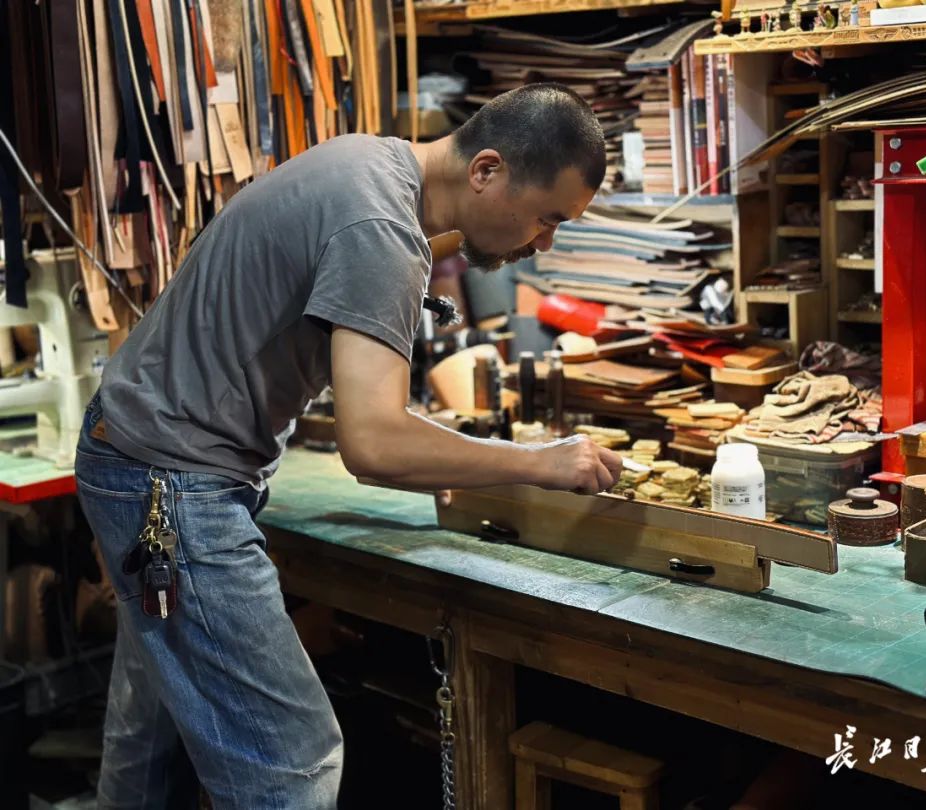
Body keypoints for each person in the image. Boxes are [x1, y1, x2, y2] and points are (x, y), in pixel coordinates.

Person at [76, 82, 624, 809]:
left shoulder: (369, 164)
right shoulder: (381, 229)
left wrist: (439, 455)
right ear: (487, 169)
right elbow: (372, 444)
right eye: (547, 217)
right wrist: (537, 464)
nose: (544, 241)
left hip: (136, 449)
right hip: (171, 482)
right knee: (291, 760)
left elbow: (379, 415)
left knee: (150, 748)